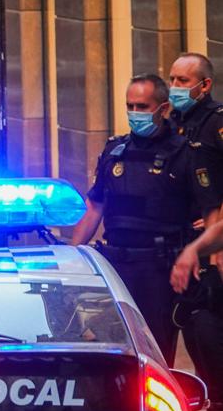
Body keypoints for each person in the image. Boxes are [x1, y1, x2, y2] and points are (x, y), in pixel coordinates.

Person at [67, 74, 218, 366]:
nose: (134, 114)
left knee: (155, 354)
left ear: (163, 109)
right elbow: (95, 207)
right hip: (116, 266)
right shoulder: (115, 151)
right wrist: (73, 256)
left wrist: (201, 256)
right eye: (130, 106)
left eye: (142, 107)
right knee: (113, 351)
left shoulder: (186, 154)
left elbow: (212, 211)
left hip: (159, 270)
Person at [166, 52, 223, 411]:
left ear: (205, 86)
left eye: (183, 81)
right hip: (185, 241)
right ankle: (213, 408)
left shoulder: (218, 123)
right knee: (196, 328)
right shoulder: (171, 124)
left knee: (212, 327)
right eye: (172, 78)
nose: (176, 87)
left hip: (214, 244)